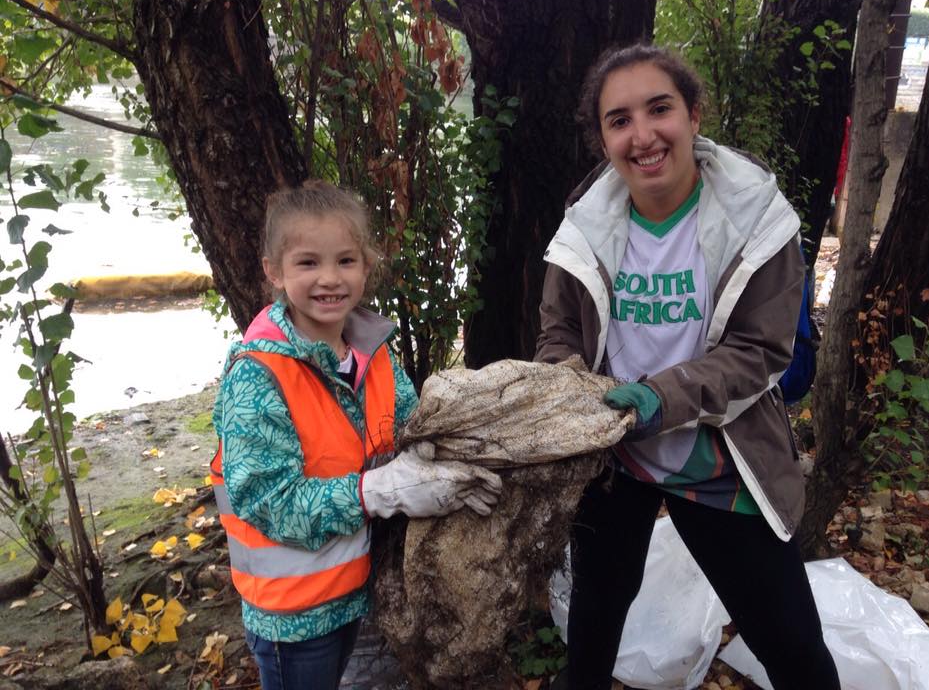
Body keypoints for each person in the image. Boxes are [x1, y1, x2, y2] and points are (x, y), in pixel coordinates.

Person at [535, 43, 840, 690]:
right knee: (590, 641)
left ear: (694, 115)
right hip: (615, 457)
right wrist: (568, 395)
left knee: (795, 653)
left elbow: (761, 350)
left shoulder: (756, 220)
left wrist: (655, 397)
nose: (642, 135)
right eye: (619, 120)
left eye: (659, 109)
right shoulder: (584, 227)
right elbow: (559, 332)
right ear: (604, 138)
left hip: (721, 461)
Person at [211, 180, 502, 690]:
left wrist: (452, 460)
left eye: (346, 260)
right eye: (308, 263)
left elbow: (410, 432)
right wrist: (381, 490)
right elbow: (269, 501)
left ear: (367, 266)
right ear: (273, 272)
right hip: (294, 618)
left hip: (362, 589)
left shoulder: (374, 353)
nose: (329, 278)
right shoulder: (257, 376)